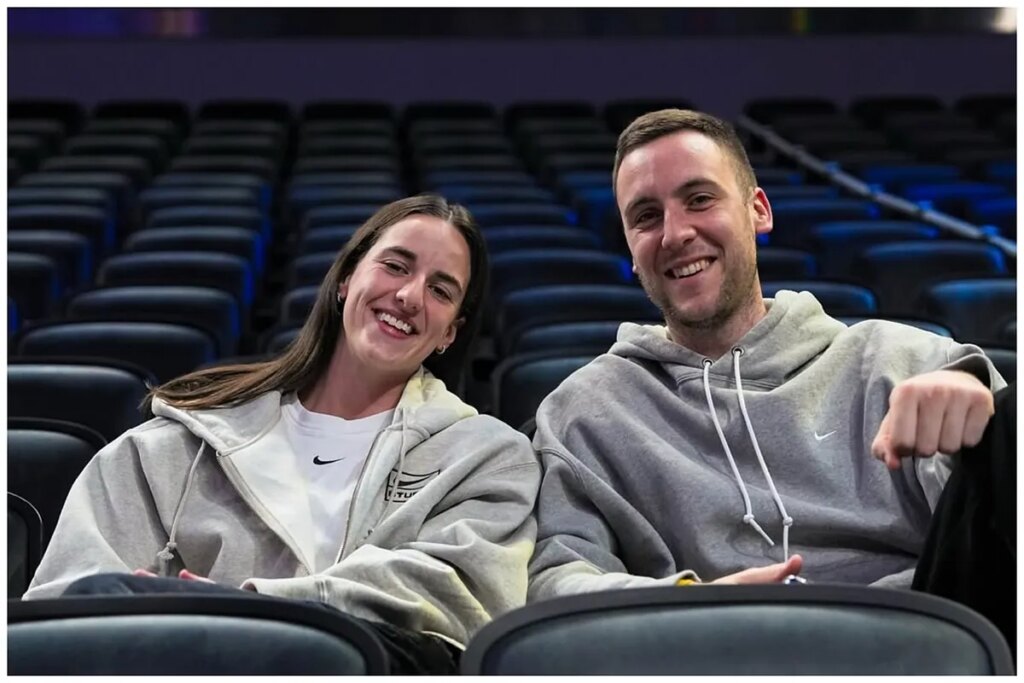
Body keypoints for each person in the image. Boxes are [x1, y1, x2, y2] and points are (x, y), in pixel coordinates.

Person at [527, 109, 1013, 646]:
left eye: (700, 199)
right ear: (630, 247)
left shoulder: (897, 358)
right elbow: (555, 579)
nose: (675, 233)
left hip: (919, 636)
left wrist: (980, 410)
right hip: (714, 650)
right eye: (645, 216)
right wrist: (689, 602)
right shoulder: (586, 410)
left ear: (758, 210)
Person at [23, 195, 542, 674]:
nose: (409, 296)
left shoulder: (488, 457)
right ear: (345, 280)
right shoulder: (169, 444)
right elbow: (69, 606)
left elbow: (459, 605)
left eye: (440, 290)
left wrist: (254, 608)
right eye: (395, 266)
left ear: (450, 331)